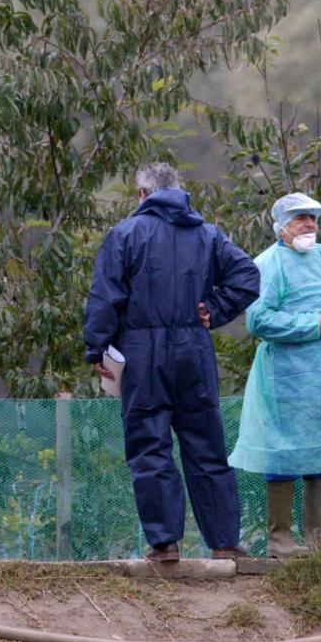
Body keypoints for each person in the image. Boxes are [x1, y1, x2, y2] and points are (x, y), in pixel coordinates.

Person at [84, 162, 260, 562]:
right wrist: (213, 310)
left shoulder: (126, 234)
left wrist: (97, 348)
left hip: (142, 351)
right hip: (194, 352)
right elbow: (247, 276)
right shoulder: (208, 234)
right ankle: (224, 543)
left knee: (150, 446)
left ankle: (164, 544)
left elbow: (105, 297)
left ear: (142, 195)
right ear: (178, 191)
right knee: (207, 445)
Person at [228, 192, 321, 557]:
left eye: (312, 218)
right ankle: (280, 540)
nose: (309, 224)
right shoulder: (269, 264)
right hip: (288, 379)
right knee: (285, 454)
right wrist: (315, 324)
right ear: (281, 227)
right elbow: (259, 319)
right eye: (299, 218)